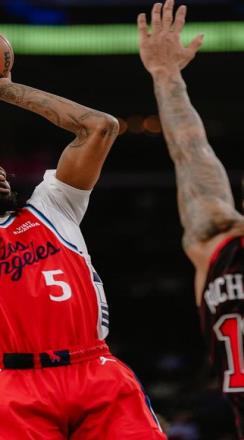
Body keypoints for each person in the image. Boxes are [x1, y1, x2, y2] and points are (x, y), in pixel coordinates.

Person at [0, 21, 166, 439]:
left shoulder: (52, 208)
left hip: (96, 368)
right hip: (13, 383)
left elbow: (100, 127)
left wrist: (4, 89)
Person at [137, 1, 244, 437]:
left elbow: (190, 151)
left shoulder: (218, 248)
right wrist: (166, 76)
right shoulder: (220, 242)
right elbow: (190, 151)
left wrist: (167, 76)